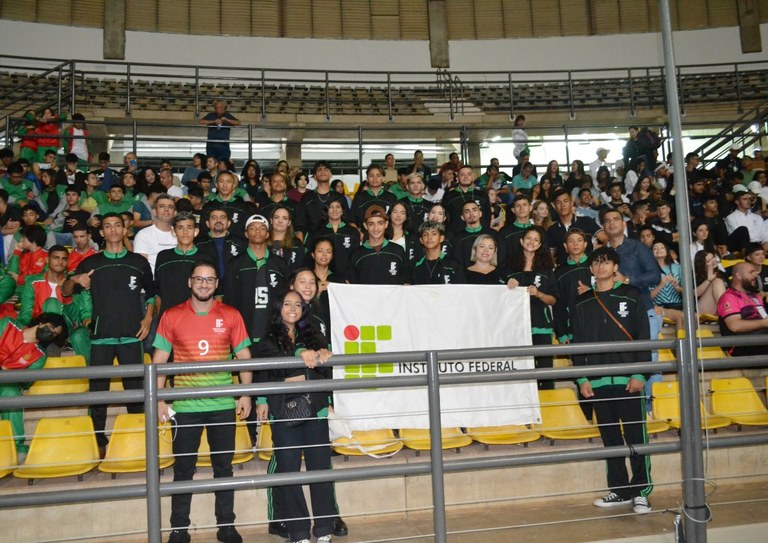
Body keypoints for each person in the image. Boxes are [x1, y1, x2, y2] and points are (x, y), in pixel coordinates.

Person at [153, 260, 252, 543]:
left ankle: (227, 526)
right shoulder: (171, 315)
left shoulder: (231, 315)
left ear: (216, 284)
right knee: (183, 471)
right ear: (189, 282)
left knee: (224, 468)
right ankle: (179, 529)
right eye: (199, 279)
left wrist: (245, 393)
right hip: (185, 407)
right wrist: (160, 400)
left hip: (221, 406)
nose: (204, 284)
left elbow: (244, 357)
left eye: (209, 280)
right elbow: (159, 360)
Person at [63, 213, 156, 453]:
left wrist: (147, 318)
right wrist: (76, 279)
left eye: (118, 225)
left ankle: (138, 438)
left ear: (125, 229)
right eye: (107, 226)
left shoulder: (138, 262)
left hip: (131, 334)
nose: (113, 229)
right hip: (101, 334)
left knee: (135, 392)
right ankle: (97, 441)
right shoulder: (91, 263)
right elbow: (65, 290)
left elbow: (154, 295)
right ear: (101, 233)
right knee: (98, 392)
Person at [572, 247, 652, 514]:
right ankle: (619, 490)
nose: (601, 267)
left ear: (615, 267)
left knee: (636, 438)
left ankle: (641, 491)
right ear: (591, 268)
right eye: (597, 262)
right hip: (596, 383)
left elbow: (643, 335)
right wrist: (582, 378)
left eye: (606, 262)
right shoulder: (582, 303)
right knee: (610, 439)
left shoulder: (632, 296)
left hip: (629, 380)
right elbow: (577, 344)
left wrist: (640, 373)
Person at [253, 289, 335, 543]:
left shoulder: (315, 334)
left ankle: (324, 530)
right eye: (287, 304)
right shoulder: (268, 340)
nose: (292, 308)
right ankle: (298, 532)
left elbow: (325, 368)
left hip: (316, 410)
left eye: (297, 305)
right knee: (289, 472)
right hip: (283, 412)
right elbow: (270, 370)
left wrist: (324, 354)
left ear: (303, 310)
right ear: (278, 308)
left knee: (320, 470)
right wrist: (262, 400)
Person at [0, 312, 68, 453]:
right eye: (51, 327)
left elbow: (24, 382)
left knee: (11, 392)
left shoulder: (39, 357)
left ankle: (16, 447)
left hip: (5, 384)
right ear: (42, 322)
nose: (50, 333)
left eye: (54, 334)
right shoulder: (8, 324)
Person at [504, 226, 558, 389]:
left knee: (545, 374)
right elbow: (501, 298)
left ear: (540, 244)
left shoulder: (546, 270)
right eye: (528, 238)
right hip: (516, 328)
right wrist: (508, 288)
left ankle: (547, 410)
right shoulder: (509, 268)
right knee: (520, 374)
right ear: (521, 241)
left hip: (541, 327)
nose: (531, 242)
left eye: (536, 239)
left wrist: (540, 294)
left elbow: (554, 300)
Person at [17, 245, 90, 363]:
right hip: (40, 329)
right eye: (56, 258)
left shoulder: (73, 282)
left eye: (64, 259)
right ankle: (51, 345)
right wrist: (22, 332)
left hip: (68, 326)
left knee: (52, 304)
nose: (60, 262)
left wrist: (87, 322)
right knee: (50, 306)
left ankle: (53, 344)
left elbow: (81, 311)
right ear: (47, 260)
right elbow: (26, 312)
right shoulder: (33, 282)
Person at [347, 205, 408, 285]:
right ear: (365, 226)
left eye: (380, 223)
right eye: (371, 224)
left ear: (386, 224)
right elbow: (351, 286)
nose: (376, 228)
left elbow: (406, 281)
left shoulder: (398, 251)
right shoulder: (356, 254)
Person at [154, 212, 200, 318]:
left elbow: (215, 291)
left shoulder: (206, 257)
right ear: (173, 231)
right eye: (180, 228)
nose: (185, 232)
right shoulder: (163, 257)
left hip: (197, 319)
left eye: (189, 227)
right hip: (169, 318)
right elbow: (157, 290)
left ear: (196, 231)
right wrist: (162, 315)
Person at [717, 261, 768, 357]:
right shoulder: (729, 297)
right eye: (751, 272)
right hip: (741, 345)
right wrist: (764, 323)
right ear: (739, 276)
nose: (756, 275)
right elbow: (735, 326)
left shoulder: (756, 297)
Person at [546, 189, 599, 266]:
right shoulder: (552, 230)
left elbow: (605, 239)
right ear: (554, 206)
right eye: (558, 203)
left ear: (571, 203)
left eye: (565, 201)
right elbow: (550, 255)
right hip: (564, 272)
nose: (563, 205)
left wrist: (597, 254)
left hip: (589, 268)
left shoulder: (586, 221)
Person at [195, 206, 244, 284]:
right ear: (208, 223)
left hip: (234, 288)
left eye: (222, 217)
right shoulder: (198, 244)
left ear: (228, 223)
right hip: (206, 288)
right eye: (214, 218)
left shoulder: (240, 243)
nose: (218, 220)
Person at [133, 193, 177, 273]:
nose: (166, 209)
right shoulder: (143, 235)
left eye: (170, 207)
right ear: (154, 211)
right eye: (162, 206)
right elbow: (141, 266)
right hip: (152, 282)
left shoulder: (180, 234)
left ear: (174, 213)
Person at [441, 166, 491, 235]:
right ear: (457, 178)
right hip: (456, 237)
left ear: (473, 177)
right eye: (462, 175)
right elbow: (444, 217)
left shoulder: (482, 195)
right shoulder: (449, 196)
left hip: (481, 236)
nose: (466, 177)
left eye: (469, 174)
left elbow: (488, 216)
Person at [349, 164, 397, 233]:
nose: (375, 178)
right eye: (371, 176)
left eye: (378, 175)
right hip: (365, 239)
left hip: (388, 238)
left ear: (383, 178)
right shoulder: (359, 198)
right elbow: (351, 221)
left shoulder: (391, 198)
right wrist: (359, 234)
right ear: (367, 179)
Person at [269, 205, 305, 274]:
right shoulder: (262, 242)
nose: (280, 221)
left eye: (284, 218)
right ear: (271, 220)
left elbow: (300, 269)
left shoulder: (297, 244)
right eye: (276, 217)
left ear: (289, 223)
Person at [694, 250, 727, 316]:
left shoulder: (721, 273)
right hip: (700, 308)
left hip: (718, 307)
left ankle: (726, 312)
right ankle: (727, 314)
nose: (713, 261)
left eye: (713, 258)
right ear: (702, 264)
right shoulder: (695, 275)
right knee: (717, 281)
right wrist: (708, 280)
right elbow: (694, 294)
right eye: (708, 261)